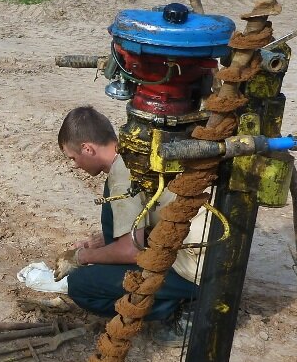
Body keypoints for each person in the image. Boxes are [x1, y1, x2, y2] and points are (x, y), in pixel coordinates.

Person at [52, 106, 204, 346]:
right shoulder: (135, 153)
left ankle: (185, 308)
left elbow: (131, 251)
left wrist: (81, 257)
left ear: (87, 148)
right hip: (209, 250)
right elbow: (154, 207)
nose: (74, 165)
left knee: (81, 286)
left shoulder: (122, 174)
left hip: (195, 272)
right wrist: (103, 240)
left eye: (73, 158)